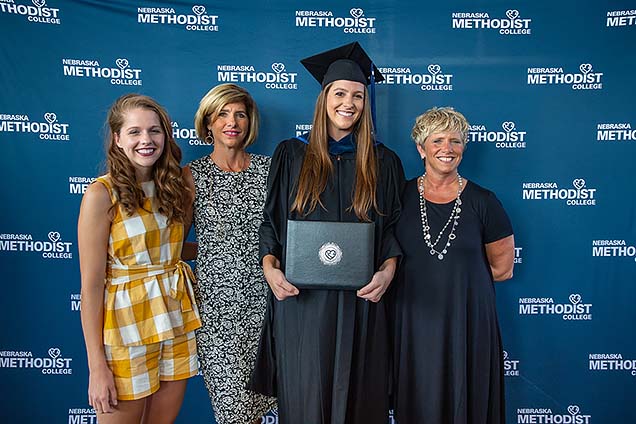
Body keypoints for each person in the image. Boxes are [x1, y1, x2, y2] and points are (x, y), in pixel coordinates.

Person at [249, 42, 405, 424]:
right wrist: (271, 269)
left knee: (359, 396)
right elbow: (271, 223)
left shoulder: (384, 161)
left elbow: (393, 232)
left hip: (361, 302)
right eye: (339, 93)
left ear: (366, 103)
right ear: (324, 99)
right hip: (303, 303)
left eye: (357, 95)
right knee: (305, 399)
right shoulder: (291, 154)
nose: (348, 103)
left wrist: (387, 273)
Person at [78, 94, 201, 424]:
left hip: (175, 321)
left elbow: (168, 252)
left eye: (154, 131)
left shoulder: (176, 188)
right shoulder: (101, 194)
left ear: (166, 136)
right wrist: (96, 367)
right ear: (117, 139)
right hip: (125, 328)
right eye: (134, 132)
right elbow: (90, 288)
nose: (146, 140)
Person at [392, 107, 515, 424]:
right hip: (414, 321)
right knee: (418, 398)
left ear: (464, 148)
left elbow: (503, 269)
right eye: (437, 141)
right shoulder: (399, 197)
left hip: (468, 319)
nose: (447, 149)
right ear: (421, 149)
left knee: (468, 400)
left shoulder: (484, 201)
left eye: (456, 141)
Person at [183, 83, 276, 424]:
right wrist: (214, 249)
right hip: (218, 314)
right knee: (234, 412)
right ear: (208, 123)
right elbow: (175, 243)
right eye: (222, 114)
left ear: (249, 122)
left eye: (239, 114)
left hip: (270, 307)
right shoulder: (191, 176)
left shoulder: (271, 170)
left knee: (267, 404)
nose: (232, 121)